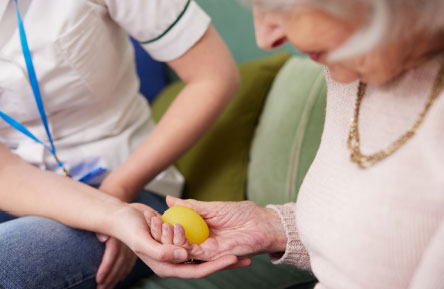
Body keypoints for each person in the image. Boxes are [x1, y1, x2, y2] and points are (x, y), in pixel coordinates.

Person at [152, 0, 444, 288]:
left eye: (279, 8)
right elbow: (386, 241)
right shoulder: (353, 60)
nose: (264, 39)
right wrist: (274, 227)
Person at [0, 0, 246, 288]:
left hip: (127, 179)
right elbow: (6, 173)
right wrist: (107, 212)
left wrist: (118, 193)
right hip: (18, 191)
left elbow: (214, 76)